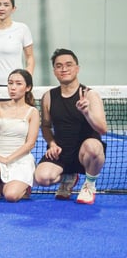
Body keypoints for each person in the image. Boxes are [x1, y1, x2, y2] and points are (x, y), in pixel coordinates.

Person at [34, 49, 107, 205]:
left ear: (77, 68)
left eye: (69, 65)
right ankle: (68, 177)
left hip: (85, 152)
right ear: (54, 71)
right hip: (61, 153)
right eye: (59, 66)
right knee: (41, 178)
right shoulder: (48, 96)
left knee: (94, 147)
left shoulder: (90, 95)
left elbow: (102, 129)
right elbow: (46, 126)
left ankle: (89, 185)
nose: (64, 69)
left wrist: (87, 113)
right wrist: (52, 144)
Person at [0, 69, 39, 202]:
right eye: (10, 83)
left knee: (11, 196)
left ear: (28, 88)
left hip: (21, 160)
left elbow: (30, 144)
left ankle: (22, 186)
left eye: (18, 83)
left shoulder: (33, 112)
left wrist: (8, 159)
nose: (13, 87)